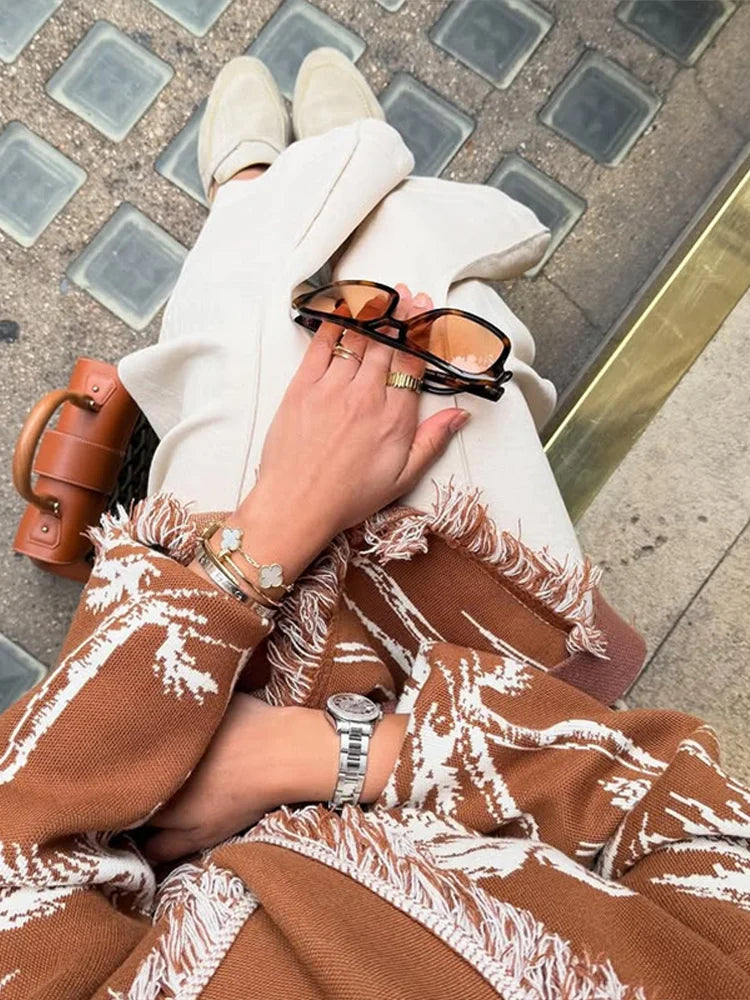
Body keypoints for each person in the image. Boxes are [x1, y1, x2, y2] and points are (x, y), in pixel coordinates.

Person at [0, 50, 748, 1000]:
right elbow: (691, 824)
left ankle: (266, 190)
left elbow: (17, 876)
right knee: (435, 338)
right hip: (481, 698)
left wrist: (273, 524)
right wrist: (335, 754)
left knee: (255, 364)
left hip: (174, 751)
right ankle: (343, 186)